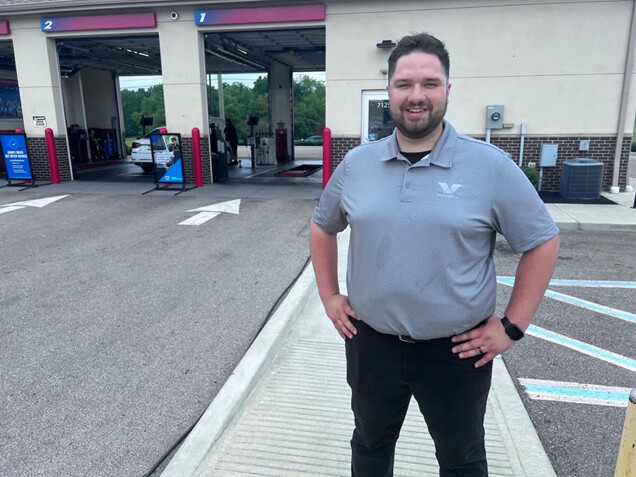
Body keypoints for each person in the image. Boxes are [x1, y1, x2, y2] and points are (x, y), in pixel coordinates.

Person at [310, 32, 560, 477]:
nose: (416, 96)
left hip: (457, 353)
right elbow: (322, 226)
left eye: (429, 83)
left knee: (462, 460)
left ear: (448, 89)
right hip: (371, 345)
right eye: (404, 84)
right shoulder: (357, 165)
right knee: (369, 445)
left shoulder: (490, 167)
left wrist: (512, 326)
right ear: (389, 91)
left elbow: (541, 241)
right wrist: (330, 297)